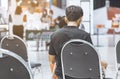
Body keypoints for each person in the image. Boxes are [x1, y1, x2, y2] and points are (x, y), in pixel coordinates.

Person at [49, 5, 107, 79]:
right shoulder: (85, 35)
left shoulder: (55, 35)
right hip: (84, 75)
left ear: (66, 19)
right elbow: (92, 59)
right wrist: (104, 63)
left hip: (63, 75)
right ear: (80, 19)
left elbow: (52, 60)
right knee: (104, 64)